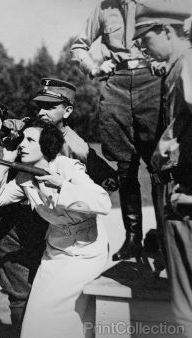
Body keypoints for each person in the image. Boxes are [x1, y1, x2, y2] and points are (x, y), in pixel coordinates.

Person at [0, 78, 117, 332]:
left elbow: (108, 184)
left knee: (47, 299)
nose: (41, 112)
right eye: (39, 106)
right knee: (18, 293)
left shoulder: (76, 147)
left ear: (68, 111)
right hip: (11, 222)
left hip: (46, 227)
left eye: (50, 107)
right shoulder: (23, 129)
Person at [70, 0, 165, 262]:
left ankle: (166, 238)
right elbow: (79, 46)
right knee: (125, 166)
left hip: (151, 81)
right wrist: (95, 68)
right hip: (117, 85)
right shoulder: (103, 9)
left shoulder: (156, 4)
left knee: (159, 165)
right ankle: (133, 239)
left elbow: (176, 38)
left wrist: (165, 62)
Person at [134, 2, 192, 335]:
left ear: (167, 30)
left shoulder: (187, 62)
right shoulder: (175, 66)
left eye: (145, 36)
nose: (140, 45)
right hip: (178, 192)